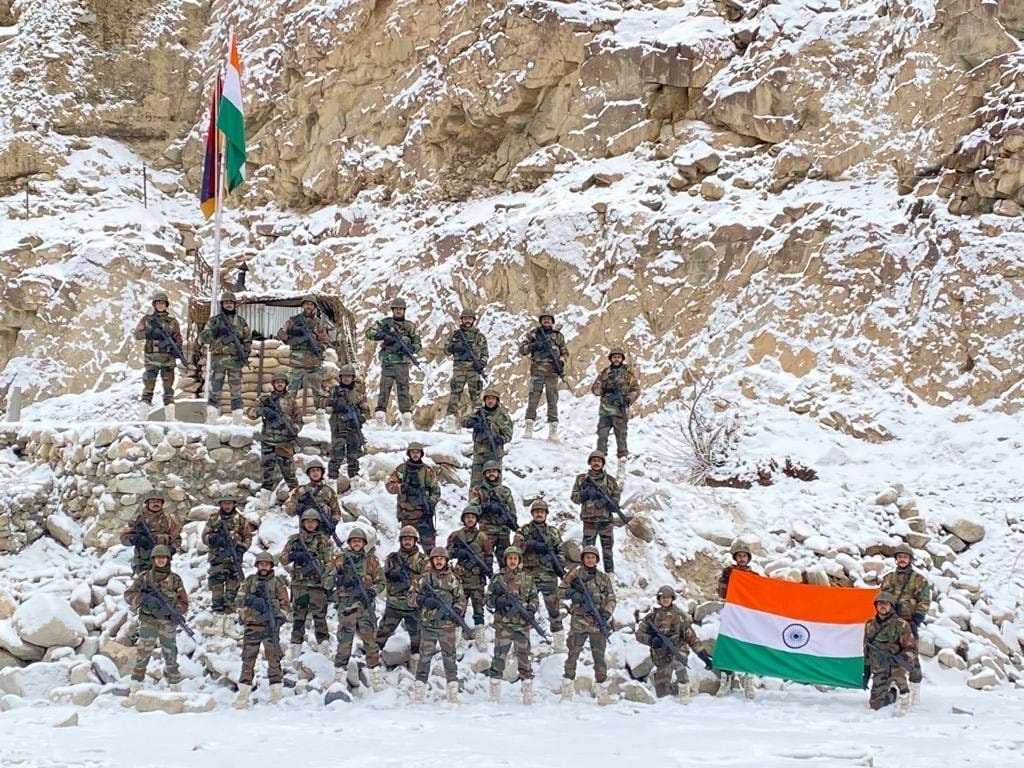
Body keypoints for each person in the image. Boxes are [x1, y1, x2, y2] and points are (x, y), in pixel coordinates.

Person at [125, 545, 188, 697]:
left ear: (168, 559)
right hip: (149, 621)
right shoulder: (145, 577)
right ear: (153, 559)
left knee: (171, 654)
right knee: (143, 653)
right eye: (158, 558)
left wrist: (176, 611)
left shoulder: (175, 579)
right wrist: (144, 600)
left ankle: (175, 688)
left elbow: (184, 602)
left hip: (167, 622)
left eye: (163, 558)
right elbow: (129, 594)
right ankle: (135, 687)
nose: (161, 560)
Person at [328, 527, 386, 691]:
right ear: (349, 543)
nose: (356, 544)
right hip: (346, 608)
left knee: (371, 643)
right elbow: (327, 582)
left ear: (364, 543)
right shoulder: (340, 559)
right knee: (344, 643)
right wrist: (339, 577)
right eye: (354, 541)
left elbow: (381, 582)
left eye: (359, 541)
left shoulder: (371, 561)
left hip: (365, 608)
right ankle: (339, 676)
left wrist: (373, 591)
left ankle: (375, 676)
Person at [635, 585, 712, 703]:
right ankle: (679, 689)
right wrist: (651, 640)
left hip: (678, 648)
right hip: (661, 655)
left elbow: (691, 637)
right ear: (659, 599)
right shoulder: (652, 617)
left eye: (668, 597)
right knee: (662, 693)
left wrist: (703, 656)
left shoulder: (679, 616)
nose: (665, 599)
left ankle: (684, 688)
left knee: (678, 661)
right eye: (663, 597)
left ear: (672, 598)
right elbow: (639, 634)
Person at [233, 551, 290, 708]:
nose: (264, 567)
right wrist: (251, 600)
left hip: (270, 627)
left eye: (266, 564)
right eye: (261, 564)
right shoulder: (250, 581)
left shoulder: (277, 583)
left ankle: (276, 694)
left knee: (274, 660)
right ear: (257, 565)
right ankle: (243, 695)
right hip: (252, 627)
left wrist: (279, 618)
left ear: (271, 566)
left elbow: (285, 604)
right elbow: (238, 600)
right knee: (248, 661)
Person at [410, 546, 466, 704]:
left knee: (450, 659)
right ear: (432, 561)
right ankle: (419, 692)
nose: (439, 561)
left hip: (447, 628)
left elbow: (461, 599)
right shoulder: (424, 579)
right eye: (436, 559)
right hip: (428, 627)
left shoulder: (454, 580)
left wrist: (457, 609)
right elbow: (411, 596)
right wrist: (422, 600)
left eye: (442, 558)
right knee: (424, 659)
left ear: (446, 560)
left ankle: (452, 692)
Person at [561, 545, 616, 705]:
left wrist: (607, 612)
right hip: (579, 622)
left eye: (593, 557)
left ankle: (602, 692)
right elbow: (560, 591)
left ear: (597, 560)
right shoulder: (575, 574)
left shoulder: (603, 578)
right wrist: (573, 594)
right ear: (583, 558)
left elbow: (612, 598)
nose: (590, 560)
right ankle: (567, 690)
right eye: (587, 557)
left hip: (598, 623)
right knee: (572, 656)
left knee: (599, 659)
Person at [485, 546, 539, 704]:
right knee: (499, 658)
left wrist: (531, 609)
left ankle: (527, 692)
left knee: (524, 657)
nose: (512, 561)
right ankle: (494, 693)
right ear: (505, 560)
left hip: (522, 626)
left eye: (515, 558)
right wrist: (497, 601)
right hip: (504, 626)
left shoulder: (527, 578)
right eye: (510, 558)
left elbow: (534, 598)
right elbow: (487, 599)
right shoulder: (497, 579)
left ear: (519, 560)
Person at [879, 542, 931, 703]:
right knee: (889, 654)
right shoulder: (888, 578)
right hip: (890, 623)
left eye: (905, 557)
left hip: (909, 623)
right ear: (896, 559)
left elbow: (924, 600)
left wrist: (917, 618)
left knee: (911, 657)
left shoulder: (919, 580)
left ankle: (915, 689)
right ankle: (894, 688)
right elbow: (881, 599)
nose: (902, 559)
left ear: (910, 559)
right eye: (899, 556)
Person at [280, 509, 335, 660]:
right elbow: (282, 559)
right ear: (302, 522)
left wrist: (318, 564)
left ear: (317, 523)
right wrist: (294, 556)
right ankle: (295, 651)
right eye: (307, 521)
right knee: (298, 619)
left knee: (320, 618)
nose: (310, 524)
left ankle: (324, 649)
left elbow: (331, 563)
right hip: (299, 585)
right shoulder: (295, 540)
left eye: (313, 521)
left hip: (317, 586)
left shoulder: (324, 541)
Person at [513, 499, 567, 652]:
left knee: (554, 610)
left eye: (542, 512)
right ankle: (521, 644)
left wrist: (558, 564)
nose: (539, 514)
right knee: (525, 610)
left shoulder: (553, 532)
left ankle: (559, 643)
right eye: (536, 511)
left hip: (549, 577)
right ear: (532, 514)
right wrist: (531, 545)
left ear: (546, 514)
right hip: (528, 577)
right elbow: (516, 548)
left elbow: (561, 551)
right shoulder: (524, 531)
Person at [200, 492, 255, 634]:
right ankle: (217, 618)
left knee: (233, 589)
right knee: (216, 588)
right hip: (217, 559)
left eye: (230, 503)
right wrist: (214, 538)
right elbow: (204, 537)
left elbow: (248, 536)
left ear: (234, 504)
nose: (227, 506)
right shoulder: (214, 519)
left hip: (233, 559)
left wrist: (243, 547)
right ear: (220, 504)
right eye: (224, 503)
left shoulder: (241, 520)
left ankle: (229, 619)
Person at [365, 297, 422, 430]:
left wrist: (411, 348)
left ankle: (406, 422)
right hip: (388, 363)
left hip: (402, 364)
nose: (398, 311)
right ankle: (380, 420)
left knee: (404, 392)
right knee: (384, 391)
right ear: (392, 310)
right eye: (396, 309)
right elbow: (369, 333)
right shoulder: (386, 323)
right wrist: (384, 336)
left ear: (404, 311)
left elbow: (418, 344)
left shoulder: (410, 326)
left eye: (400, 309)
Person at [249, 372, 302, 510]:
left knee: (290, 475)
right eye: (277, 382)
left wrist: (294, 429)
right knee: (267, 474)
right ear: (273, 384)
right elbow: (250, 412)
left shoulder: (291, 400)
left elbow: (299, 420)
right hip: (268, 441)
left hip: (285, 443)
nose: (279, 384)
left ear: (285, 384)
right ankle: (264, 503)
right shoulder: (265, 399)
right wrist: (263, 411)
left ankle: (298, 502)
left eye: (282, 382)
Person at [275, 295, 330, 427]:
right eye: (306, 304)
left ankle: (320, 420)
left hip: (313, 363)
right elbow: (281, 334)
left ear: (314, 307)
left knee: (318, 392)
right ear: (302, 306)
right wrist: (294, 333)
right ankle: (285, 418)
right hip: (296, 363)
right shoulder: (293, 321)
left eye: (311, 305)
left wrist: (319, 348)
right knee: (291, 392)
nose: (309, 307)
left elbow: (325, 342)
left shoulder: (319, 324)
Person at [199, 290, 252, 425]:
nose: (229, 305)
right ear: (222, 304)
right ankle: (211, 420)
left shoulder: (241, 322)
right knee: (215, 390)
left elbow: (247, 339)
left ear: (235, 305)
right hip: (219, 361)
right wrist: (216, 330)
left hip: (235, 361)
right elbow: (203, 338)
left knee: (236, 391)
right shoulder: (214, 321)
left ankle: (237, 421)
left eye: (231, 303)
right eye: (226, 303)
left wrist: (246, 352)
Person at [376, 526, 427, 666]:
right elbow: (381, 577)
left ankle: (415, 662)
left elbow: (428, 580)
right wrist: (389, 575)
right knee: (382, 633)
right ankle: (373, 659)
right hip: (394, 604)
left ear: (415, 540)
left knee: (417, 637)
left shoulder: (423, 560)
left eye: (410, 539)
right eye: (405, 539)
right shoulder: (392, 559)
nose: (407, 542)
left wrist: (413, 583)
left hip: (413, 605)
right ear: (400, 541)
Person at [446, 505, 493, 651]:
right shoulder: (456, 535)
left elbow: (489, 554)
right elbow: (446, 553)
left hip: (477, 579)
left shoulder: (482, 537)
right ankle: (457, 638)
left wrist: (488, 568)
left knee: (479, 609)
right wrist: (458, 553)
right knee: (459, 608)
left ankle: (480, 637)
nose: (470, 519)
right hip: (461, 579)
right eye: (468, 517)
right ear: (463, 519)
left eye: (473, 517)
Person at [590, 346, 640, 482]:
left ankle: (621, 471)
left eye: (618, 357)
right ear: (611, 358)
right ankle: (600, 470)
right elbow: (595, 389)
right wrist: (604, 387)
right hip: (605, 411)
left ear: (622, 359)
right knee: (602, 438)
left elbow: (636, 389)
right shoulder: (605, 373)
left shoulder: (628, 374)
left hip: (620, 412)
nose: (616, 359)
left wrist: (628, 399)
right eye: (614, 357)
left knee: (621, 440)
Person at [517, 309, 568, 441]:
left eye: (549, 319)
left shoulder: (558, 336)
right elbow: (522, 349)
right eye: (544, 319)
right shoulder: (534, 333)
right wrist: (534, 346)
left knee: (553, 401)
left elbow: (565, 352)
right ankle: (528, 429)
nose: (547, 321)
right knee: (533, 400)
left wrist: (561, 362)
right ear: (541, 321)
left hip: (552, 373)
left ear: (552, 322)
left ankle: (552, 432)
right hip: (537, 372)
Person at [133, 290, 183, 421]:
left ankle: (170, 418)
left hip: (167, 360)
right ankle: (142, 417)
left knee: (168, 390)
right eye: (158, 303)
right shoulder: (147, 320)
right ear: (154, 304)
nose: (160, 305)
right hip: (151, 360)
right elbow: (137, 335)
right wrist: (150, 333)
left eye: (163, 303)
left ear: (167, 305)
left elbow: (178, 339)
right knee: (148, 387)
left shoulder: (173, 322)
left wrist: (176, 349)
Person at [863, 591, 915, 714]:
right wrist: (866, 669)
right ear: (876, 606)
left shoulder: (901, 625)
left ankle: (904, 695)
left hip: (895, 665)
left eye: (886, 604)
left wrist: (901, 659)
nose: (883, 606)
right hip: (879, 667)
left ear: (891, 606)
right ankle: (892, 694)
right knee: (875, 706)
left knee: (899, 676)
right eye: (880, 603)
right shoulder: (870, 625)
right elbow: (866, 648)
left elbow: (911, 648)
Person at [716, 539, 756, 698]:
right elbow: (721, 594)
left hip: (747, 617)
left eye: (744, 556)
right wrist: (726, 581)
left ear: (748, 558)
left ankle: (748, 679)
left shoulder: (754, 576)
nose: (741, 558)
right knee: (728, 645)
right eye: (739, 555)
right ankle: (726, 678)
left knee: (749, 646)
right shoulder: (728, 574)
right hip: (731, 615)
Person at [570, 451, 621, 574]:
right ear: (590, 463)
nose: (596, 463)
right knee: (588, 551)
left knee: (607, 552)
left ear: (603, 463)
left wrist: (608, 502)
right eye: (594, 461)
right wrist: (585, 493)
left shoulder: (611, 481)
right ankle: (586, 575)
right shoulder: (582, 479)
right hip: (589, 522)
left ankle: (610, 576)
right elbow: (574, 498)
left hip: (606, 522)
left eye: (599, 461)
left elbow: (616, 502)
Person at [385, 441, 441, 551]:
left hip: (424, 514)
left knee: (430, 547)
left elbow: (436, 490)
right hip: (407, 515)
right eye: (413, 452)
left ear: (421, 454)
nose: (415, 454)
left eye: (417, 452)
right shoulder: (402, 469)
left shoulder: (427, 471)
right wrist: (401, 488)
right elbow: (389, 485)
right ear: (409, 454)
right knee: (406, 547)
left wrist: (431, 502)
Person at [442, 307, 489, 431]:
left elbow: (485, 353)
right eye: (465, 318)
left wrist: (481, 364)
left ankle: (479, 423)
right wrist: (455, 347)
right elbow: (446, 350)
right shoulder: (455, 335)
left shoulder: (480, 337)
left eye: (470, 318)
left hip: (474, 370)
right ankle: (450, 422)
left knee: (476, 396)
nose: (468, 321)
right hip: (459, 369)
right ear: (462, 320)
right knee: (455, 395)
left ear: (473, 320)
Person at [324, 364, 369, 482]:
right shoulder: (333, 390)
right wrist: (334, 402)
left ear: (353, 377)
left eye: (349, 376)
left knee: (353, 455)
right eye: (344, 376)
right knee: (336, 454)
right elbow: (320, 401)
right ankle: (332, 480)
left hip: (353, 428)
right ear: (340, 377)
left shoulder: (358, 392)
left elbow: (366, 410)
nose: (346, 379)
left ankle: (354, 480)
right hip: (338, 427)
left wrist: (361, 419)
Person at [119, 489, 180, 575]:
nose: (156, 504)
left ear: (162, 503)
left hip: (162, 562)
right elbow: (123, 538)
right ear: (147, 503)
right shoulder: (138, 519)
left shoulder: (168, 519)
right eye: (152, 501)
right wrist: (135, 539)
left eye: (158, 501)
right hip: (143, 562)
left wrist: (172, 549)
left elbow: (176, 539)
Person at [462, 389, 513, 488]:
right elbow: (464, 421)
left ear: (497, 401)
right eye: (488, 399)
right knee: (476, 484)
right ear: (485, 400)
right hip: (479, 455)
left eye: (493, 399)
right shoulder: (479, 413)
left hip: (494, 454)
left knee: (494, 484)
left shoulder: (502, 416)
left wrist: (501, 439)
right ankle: (475, 503)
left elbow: (508, 434)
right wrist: (473, 423)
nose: (490, 401)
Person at [469, 461, 518, 559]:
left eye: (494, 471)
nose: (491, 474)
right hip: (487, 530)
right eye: (489, 472)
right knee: (485, 558)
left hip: (503, 530)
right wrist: (486, 507)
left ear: (498, 473)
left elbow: (512, 510)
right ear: (484, 474)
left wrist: (507, 518)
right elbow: (472, 509)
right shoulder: (478, 490)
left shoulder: (505, 491)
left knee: (505, 559)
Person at [284, 457, 342, 532]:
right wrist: (299, 507)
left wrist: (333, 522)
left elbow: (336, 512)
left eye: (318, 470)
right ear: (309, 474)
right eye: (313, 471)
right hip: (305, 531)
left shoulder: (328, 491)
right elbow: (289, 511)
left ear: (322, 473)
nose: (315, 473)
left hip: (323, 530)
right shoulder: (301, 490)